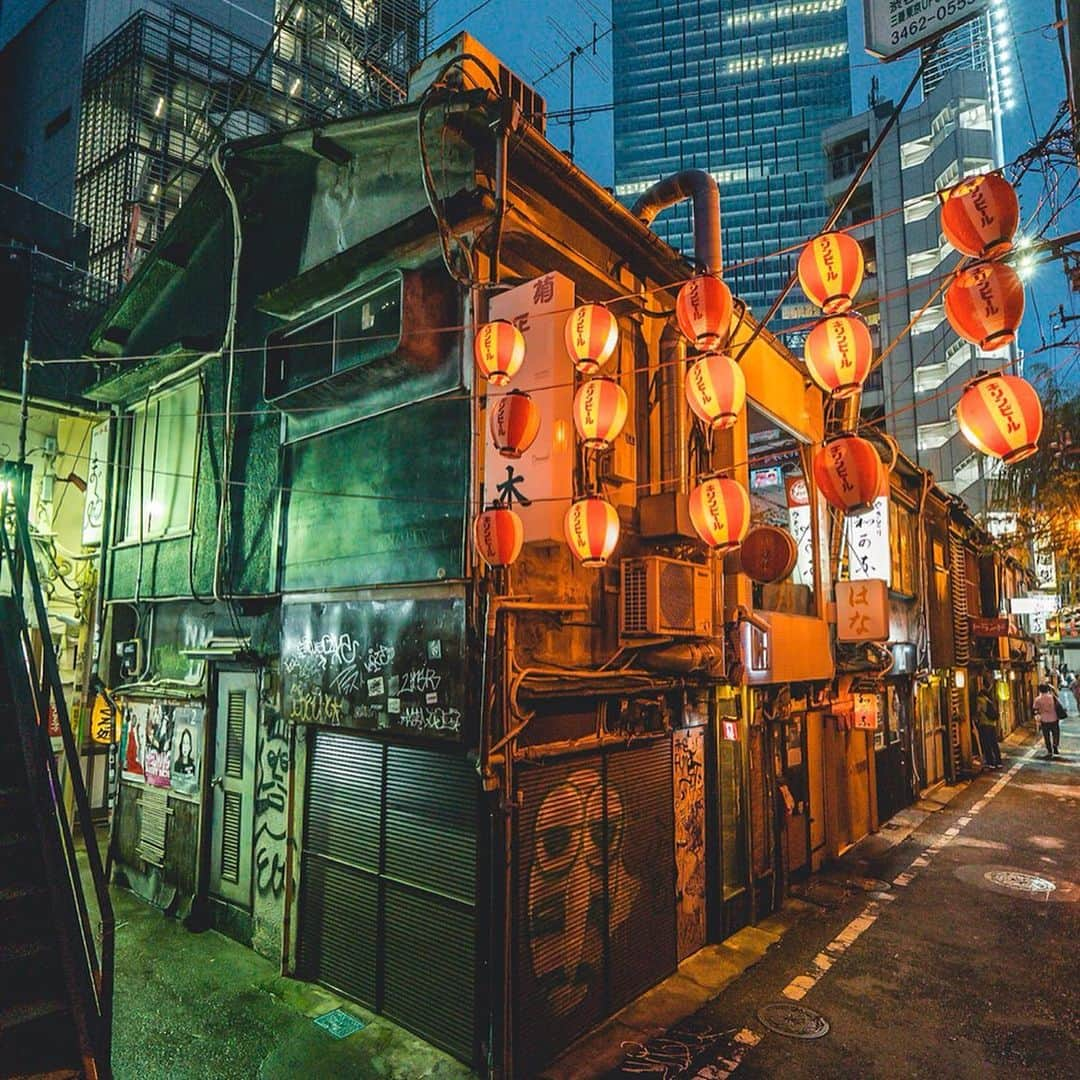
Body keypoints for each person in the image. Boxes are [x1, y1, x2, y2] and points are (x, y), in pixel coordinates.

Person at [974, 681, 1002, 768]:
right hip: (992, 724)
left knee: (987, 743)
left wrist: (976, 719)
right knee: (994, 743)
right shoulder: (990, 701)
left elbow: (978, 711)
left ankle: (990, 762)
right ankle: (998, 761)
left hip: (984, 724)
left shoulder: (980, 700)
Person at [1033, 683, 1062, 759]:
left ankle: (1049, 750)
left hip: (1044, 720)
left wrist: (1038, 718)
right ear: (1047, 689)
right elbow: (1058, 701)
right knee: (1056, 733)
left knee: (1046, 736)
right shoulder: (1052, 697)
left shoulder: (1037, 699)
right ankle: (1055, 745)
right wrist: (1052, 689)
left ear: (1039, 690)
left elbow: (1035, 710)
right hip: (1054, 718)